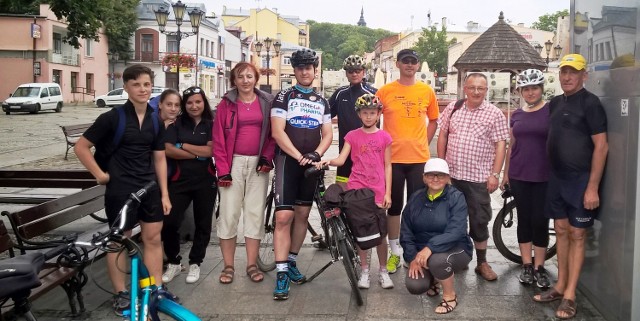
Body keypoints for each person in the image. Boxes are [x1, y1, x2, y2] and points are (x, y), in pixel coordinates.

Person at [73, 64, 173, 316]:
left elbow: (159, 158)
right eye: (136, 84)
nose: (142, 89)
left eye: (146, 84)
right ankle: (121, 293)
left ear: (152, 87)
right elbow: (81, 147)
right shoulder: (112, 117)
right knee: (119, 241)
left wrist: (164, 193)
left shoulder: (154, 119)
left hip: (149, 187)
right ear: (126, 87)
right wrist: (99, 175)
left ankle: (155, 288)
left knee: (152, 239)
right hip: (121, 189)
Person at [533, 54, 608, 320]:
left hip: (581, 180)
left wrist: (592, 187)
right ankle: (560, 285)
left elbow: (601, 146)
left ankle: (570, 295)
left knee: (578, 234)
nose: (567, 77)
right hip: (557, 178)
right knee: (562, 230)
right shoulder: (554, 103)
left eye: (573, 72)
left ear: (583, 75)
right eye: (564, 72)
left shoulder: (591, 103)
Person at [270, 48, 332, 300]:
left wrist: (316, 154)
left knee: (303, 215)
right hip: (289, 160)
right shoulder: (283, 96)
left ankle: (291, 261)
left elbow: (327, 134)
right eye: (300, 68)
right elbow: (277, 132)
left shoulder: (322, 101)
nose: (305, 71)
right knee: (284, 217)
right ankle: (281, 273)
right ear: (295, 71)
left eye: (309, 67)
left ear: (315, 71)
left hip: (311, 163)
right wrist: (298, 156)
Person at [316, 93, 393, 289]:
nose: (369, 116)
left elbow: (387, 166)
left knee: (380, 234)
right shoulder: (352, 136)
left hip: (377, 191)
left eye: (372, 113)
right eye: (365, 113)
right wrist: (327, 161)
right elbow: (342, 159)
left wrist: (388, 193)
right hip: (357, 189)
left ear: (378, 114)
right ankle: (365, 270)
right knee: (361, 232)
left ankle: (383, 271)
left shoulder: (385, 137)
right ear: (359, 114)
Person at [437, 72, 509, 281]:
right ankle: (456, 256)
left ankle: (482, 262)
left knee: (479, 220)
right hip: (452, 177)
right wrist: (442, 167)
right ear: (465, 89)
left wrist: (495, 174)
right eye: (472, 87)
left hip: (478, 177)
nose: (476, 92)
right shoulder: (454, 108)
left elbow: (501, 144)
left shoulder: (494, 113)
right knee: (452, 219)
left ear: (486, 90)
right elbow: (442, 135)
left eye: (481, 88)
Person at [375, 49, 439, 274]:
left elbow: (433, 120)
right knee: (392, 206)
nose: (410, 65)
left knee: (416, 208)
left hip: (418, 158)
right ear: (398, 64)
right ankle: (394, 252)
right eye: (405, 62)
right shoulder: (384, 91)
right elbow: (371, 116)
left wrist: (425, 141)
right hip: (392, 159)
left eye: (413, 61)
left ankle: (412, 250)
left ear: (418, 65)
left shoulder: (426, 91)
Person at [212, 62, 275, 284]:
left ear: (255, 78)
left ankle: (251, 263)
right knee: (228, 215)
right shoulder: (226, 104)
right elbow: (218, 138)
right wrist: (223, 170)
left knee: (255, 215)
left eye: (249, 76)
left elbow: (272, 134)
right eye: (240, 77)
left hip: (258, 165)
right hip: (232, 164)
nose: (245, 80)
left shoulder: (266, 102)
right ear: (234, 80)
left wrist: (267, 157)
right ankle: (228, 265)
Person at [500, 69, 552, 288]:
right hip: (520, 174)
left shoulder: (551, 110)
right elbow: (512, 145)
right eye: (526, 89)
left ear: (541, 88)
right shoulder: (517, 114)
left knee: (540, 221)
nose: (530, 92)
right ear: (520, 91)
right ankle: (527, 266)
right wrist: (505, 173)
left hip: (544, 174)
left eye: (534, 87)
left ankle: (540, 267)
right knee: (524, 220)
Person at [401, 158, 473, 314]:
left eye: (440, 175)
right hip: (423, 253)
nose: (435, 179)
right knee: (415, 286)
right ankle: (434, 280)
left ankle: (450, 296)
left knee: (438, 261)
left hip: (456, 248)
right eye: (430, 175)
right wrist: (413, 257)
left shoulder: (456, 197)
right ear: (424, 178)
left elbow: (457, 231)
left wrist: (430, 248)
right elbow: (406, 231)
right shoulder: (415, 198)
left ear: (448, 178)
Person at [160, 86, 217, 285]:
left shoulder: (211, 123)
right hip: (179, 180)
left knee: (203, 224)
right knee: (169, 222)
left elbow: (211, 151)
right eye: (190, 102)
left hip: (205, 179)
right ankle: (174, 262)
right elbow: (168, 150)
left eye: (198, 101)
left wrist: (182, 145)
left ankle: (195, 262)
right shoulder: (177, 124)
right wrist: (196, 154)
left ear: (204, 102)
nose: (194, 106)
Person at [328, 55, 377, 187]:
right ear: (346, 73)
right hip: (345, 152)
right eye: (351, 71)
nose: (354, 74)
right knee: (341, 191)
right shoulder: (340, 94)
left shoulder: (373, 93)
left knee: (365, 192)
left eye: (358, 70)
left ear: (363, 72)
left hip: (368, 151)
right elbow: (325, 116)